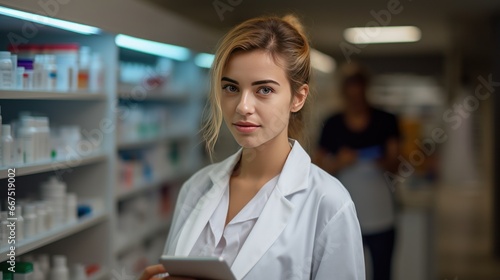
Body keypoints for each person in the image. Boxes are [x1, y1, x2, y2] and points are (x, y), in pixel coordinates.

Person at [140, 15, 365, 280]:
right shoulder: (197, 188)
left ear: (298, 98)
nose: (243, 107)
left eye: (264, 90)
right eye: (231, 87)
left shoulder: (328, 203)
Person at [314, 63, 400, 280]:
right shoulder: (332, 124)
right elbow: (317, 167)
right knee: (344, 272)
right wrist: (339, 163)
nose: (355, 100)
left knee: (382, 271)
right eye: (350, 95)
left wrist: (382, 161)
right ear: (343, 93)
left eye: (359, 94)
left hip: (380, 209)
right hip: (345, 210)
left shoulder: (385, 121)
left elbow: (397, 164)